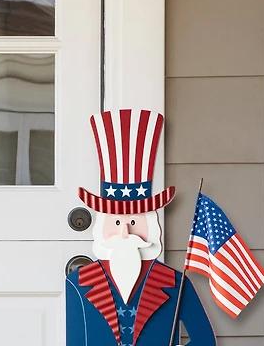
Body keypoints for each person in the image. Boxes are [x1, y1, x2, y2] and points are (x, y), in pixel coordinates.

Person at [65, 110, 216, 346]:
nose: (125, 233)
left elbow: (204, 341)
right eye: (116, 222)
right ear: (102, 225)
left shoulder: (175, 283)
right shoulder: (78, 283)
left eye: (134, 222)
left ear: (151, 224)